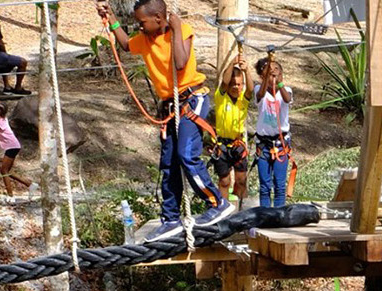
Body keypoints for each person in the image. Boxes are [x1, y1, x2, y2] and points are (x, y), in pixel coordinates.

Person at [98, 0, 230, 239]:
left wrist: (177, 27)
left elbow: (180, 63)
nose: (138, 27)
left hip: (191, 100)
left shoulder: (182, 31)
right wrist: (111, 18)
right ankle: (170, 218)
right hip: (170, 107)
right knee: (168, 163)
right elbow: (126, 45)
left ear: (159, 18)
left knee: (186, 154)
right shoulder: (146, 40)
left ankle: (217, 202)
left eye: (142, 23)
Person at [251, 53, 294, 208]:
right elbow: (260, 95)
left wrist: (279, 83)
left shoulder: (286, 90)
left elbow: (288, 100)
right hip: (264, 145)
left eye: (276, 72)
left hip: (280, 143)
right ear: (263, 77)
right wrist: (266, 77)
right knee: (264, 185)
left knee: (279, 185)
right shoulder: (259, 90)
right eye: (269, 74)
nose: (273, 76)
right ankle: (265, 215)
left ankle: (279, 214)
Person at [211, 55, 253, 207]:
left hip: (238, 144)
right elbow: (224, 81)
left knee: (241, 180)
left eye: (239, 84)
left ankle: (241, 209)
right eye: (233, 84)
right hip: (222, 144)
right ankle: (223, 208)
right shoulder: (221, 97)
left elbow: (250, 89)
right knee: (224, 180)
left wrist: (246, 70)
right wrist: (232, 63)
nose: (236, 87)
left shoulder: (243, 99)